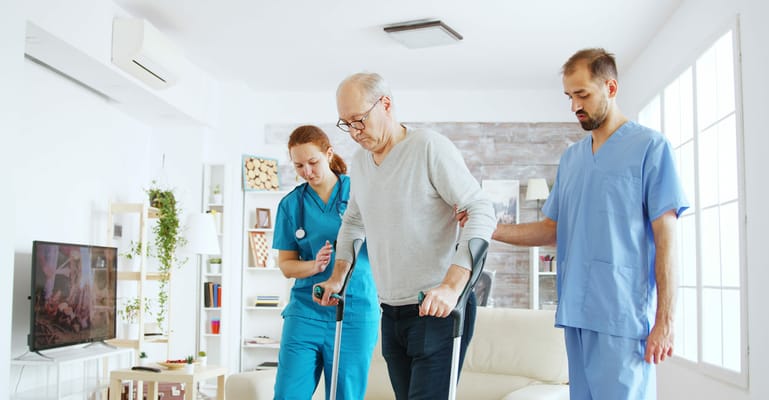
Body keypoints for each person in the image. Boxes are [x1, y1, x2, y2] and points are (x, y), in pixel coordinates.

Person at [489, 48, 689, 399]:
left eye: (582, 94)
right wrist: (489, 228)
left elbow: (667, 240)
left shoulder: (650, 148)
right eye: (569, 96)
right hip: (577, 312)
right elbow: (552, 229)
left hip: (622, 314)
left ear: (610, 88)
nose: (574, 106)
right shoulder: (572, 158)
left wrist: (665, 321)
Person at [314, 72, 496, 399]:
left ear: (385, 104)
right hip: (391, 311)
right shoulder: (362, 162)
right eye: (346, 124)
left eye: (359, 120)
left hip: (436, 309)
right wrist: (337, 278)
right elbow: (353, 223)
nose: (354, 133)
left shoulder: (428, 147)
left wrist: (452, 287)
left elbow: (481, 209)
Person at [271, 125, 380, 399]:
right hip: (305, 311)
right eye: (299, 166)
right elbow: (286, 265)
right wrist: (314, 267)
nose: (307, 171)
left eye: (313, 162)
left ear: (329, 154)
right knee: (287, 394)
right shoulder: (291, 205)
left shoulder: (361, 191)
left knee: (346, 394)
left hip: (354, 309)